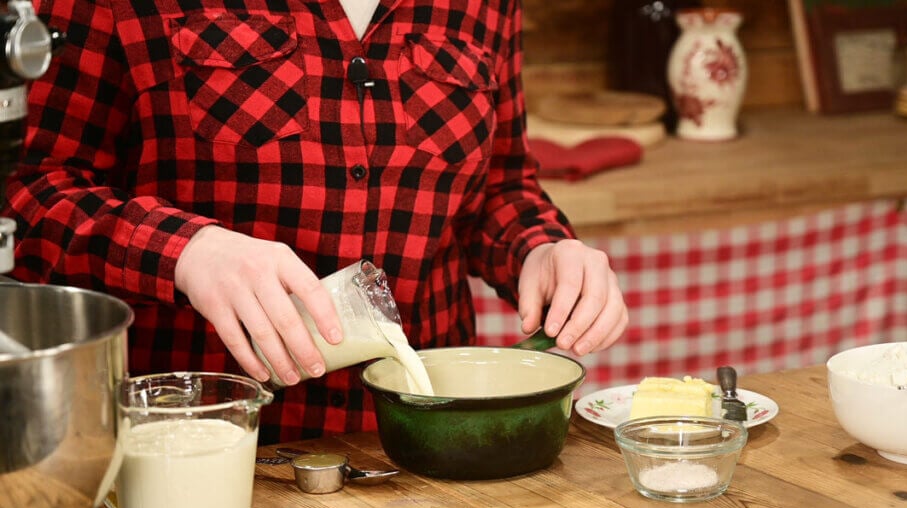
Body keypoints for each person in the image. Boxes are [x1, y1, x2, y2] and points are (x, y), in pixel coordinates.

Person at [3, 0, 628, 444]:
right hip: (197, 445)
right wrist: (186, 252)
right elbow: (31, 191)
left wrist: (541, 249)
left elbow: (499, 183)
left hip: (420, 457)